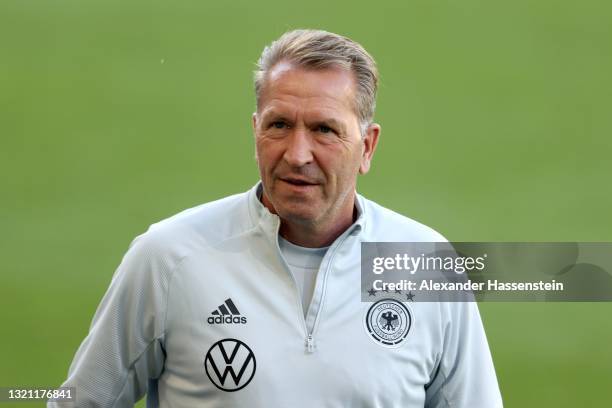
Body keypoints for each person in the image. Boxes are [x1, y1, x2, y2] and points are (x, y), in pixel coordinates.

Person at [50, 29, 502, 407]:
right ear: (255, 131)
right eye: (279, 125)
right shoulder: (168, 258)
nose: (297, 154)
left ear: (367, 147)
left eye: (325, 130)